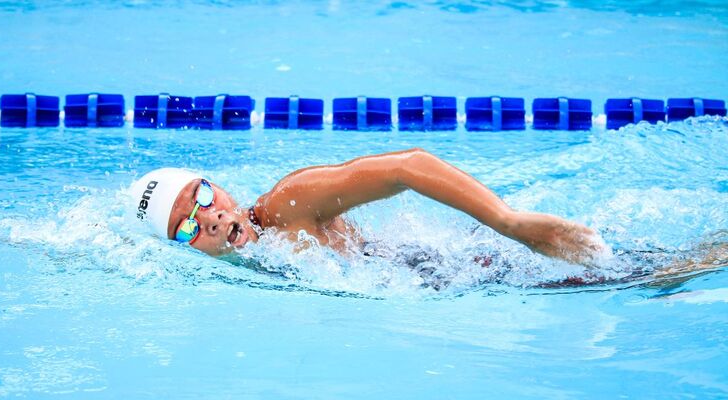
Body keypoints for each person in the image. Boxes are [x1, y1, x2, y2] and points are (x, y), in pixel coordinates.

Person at [130, 148, 609, 266]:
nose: (210, 218)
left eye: (205, 198)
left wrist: (511, 224)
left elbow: (408, 166)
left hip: (459, 268)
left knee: (632, 274)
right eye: (187, 226)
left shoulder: (287, 204)